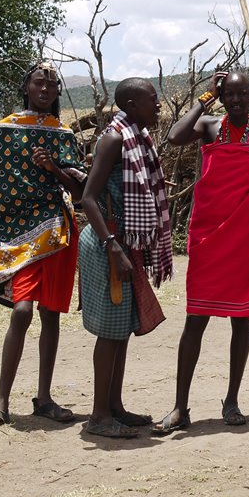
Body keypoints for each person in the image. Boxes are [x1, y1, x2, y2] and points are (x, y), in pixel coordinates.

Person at [152, 71, 249, 434]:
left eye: (242, 94)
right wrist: (206, 98)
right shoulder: (209, 125)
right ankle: (180, 407)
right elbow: (175, 136)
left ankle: (232, 401)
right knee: (195, 320)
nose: (235, 100)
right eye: (228, 94)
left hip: (246, 238)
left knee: (241, 321)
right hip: (209, 237)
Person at [0, 60, 86, 431]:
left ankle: (44, 398)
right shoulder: (5, 131)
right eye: (38, 83)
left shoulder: (63, 134)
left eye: (51, 85)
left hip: (57, 232)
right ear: (26, 88)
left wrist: (52, 168)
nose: (45, 90)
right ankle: (0, 402)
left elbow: (80, 191)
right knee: (21, 311)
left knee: (50, 314)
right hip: (18, 234)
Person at [79, 78, 172, 438]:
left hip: (122, 241)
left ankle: (114, 406)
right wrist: (112, 246)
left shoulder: (137, 137)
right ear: (132, 106)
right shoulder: (115, 139)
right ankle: (99, 417)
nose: (158, 104)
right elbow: (89, 198)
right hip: (108, 243)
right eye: (152, 99)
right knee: (110, 332)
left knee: (120, 331)